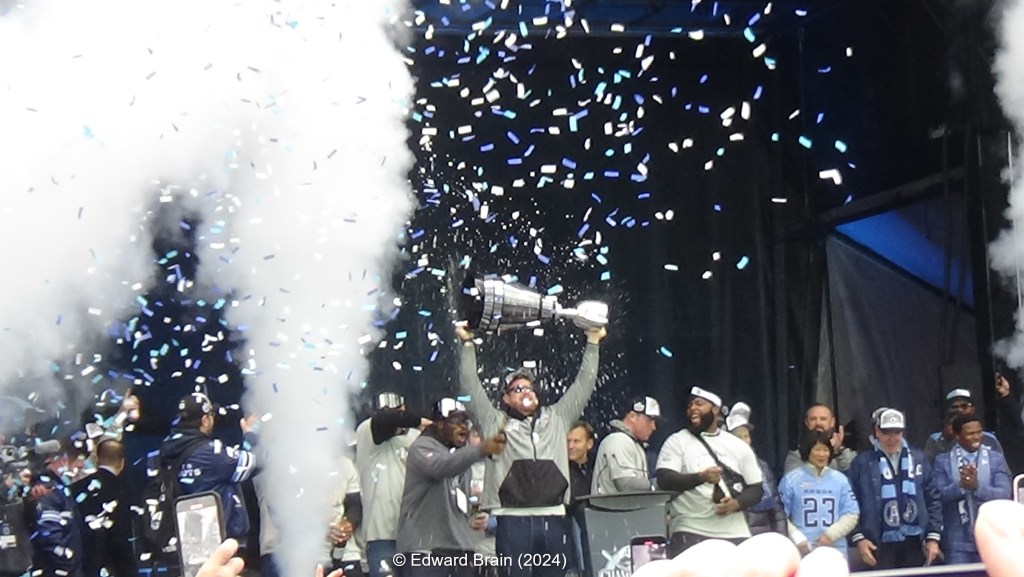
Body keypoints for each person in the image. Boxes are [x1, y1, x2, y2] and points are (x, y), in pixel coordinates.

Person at [455, 324, 606, 577]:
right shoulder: (493, 421)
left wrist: (592, 343)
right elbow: (470, 387)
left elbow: (584, 385)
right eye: (517, 389)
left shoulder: (558, 417)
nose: (525, 392)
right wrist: (468, 345)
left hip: (554, 518)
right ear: (505, 398)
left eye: (529, 387)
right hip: (513, 521)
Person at [396, 398, 505, 577]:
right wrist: (480, 450)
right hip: (425, 551)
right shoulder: (421, 448)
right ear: (439, 424)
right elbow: (442, 467)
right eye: (457, 422)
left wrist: (478, 516)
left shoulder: (459, 456)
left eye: (465, 422)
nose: (464, 428)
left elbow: (462, 503)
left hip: (458, 551)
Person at [654, 387, 764, 558]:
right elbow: (665, 479)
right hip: (690, 529)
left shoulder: (737, 445)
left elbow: (756, 488)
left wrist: (736, 504)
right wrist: (700, 477)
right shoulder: (677, 441)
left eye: (699, 404)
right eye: (690, 405)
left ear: (715, 409)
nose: (693, 408)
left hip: (735, 531)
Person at [159, 392, 259, 548]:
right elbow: (251, 463)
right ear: (205, 420)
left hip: (188, 539)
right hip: (218, 538)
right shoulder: (210, 453)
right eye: (212, 415)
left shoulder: (167, 448)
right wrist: (250, 436)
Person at [846, 408, 942, 570]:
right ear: (877, 431)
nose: (892, 438)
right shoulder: (862, 462)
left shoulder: (918, 458)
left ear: (902, 433)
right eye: (886, 432)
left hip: (915, 540)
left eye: (896, 432)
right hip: (877, 541)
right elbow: (850, 502)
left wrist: (933, 537)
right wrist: (859, 538)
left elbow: (933, 498)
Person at [355, 392, 429, 577]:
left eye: (397, 411)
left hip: (417, 535)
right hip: (381, 535)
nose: (394, 417)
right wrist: (419, 421)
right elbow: (386, 419)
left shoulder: (417, 437)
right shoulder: (366, 432)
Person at [255, 453, 363, 577]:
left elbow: (355, 506)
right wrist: (315, 524)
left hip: (346, 553)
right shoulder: (288, 465)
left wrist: (348, 525)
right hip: (305, 556)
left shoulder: (345, 464)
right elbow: (278, 515)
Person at [930, 413, 1012, 564]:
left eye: (979, 432)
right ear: (957, 436)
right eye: (970, 433)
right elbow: (938, 495)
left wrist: (977, 487)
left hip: (990, 535)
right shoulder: (942, 461)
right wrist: (961, 486)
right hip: (957, 540)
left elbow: (1004, 493)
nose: (976, 437)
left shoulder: (995, 458)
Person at [778, 430, 859, 557]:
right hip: (803, 550)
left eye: (825, 450)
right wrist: (797, 538)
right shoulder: (791, 480)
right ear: (807, 451)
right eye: (817, 449)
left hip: (836, 550)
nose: (822, 454)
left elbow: (851, 513)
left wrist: (830, 535)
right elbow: (780, 514)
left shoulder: (840, 480)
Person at [70, 439, 136, 577]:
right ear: (122, 463)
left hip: (84, 565)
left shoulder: (75, 489)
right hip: (115, 566)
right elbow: (122, 535)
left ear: (97, 459)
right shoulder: (125, 490)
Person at [25, 437, 86, 577]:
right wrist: (67, 566)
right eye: (74, 462)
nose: (80, 467)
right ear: (59, 460)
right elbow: (49, 535)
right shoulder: (47, 491)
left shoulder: (59, 489)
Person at [724, 403, 786, 536]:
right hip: (734, 536)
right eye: (738, 437)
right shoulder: (722, 468)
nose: (744, 441)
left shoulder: (762, 466)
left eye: (746, 436)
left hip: (763, 537)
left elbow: (776, 507)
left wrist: (782, 536)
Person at [592, 397, 658, 495]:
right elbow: (626, 485)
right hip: (613, 505)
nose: (653, 427)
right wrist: (657, 484)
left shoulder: (631, 443)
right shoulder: (618, 440)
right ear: (632, 416)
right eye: (650, 420)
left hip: (622, 505)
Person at [924, 389, 1004, 463]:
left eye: (964, 406)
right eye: (954, 407)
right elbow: (929, 467)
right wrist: (944, 440)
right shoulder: (935, 439)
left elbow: (1002, 467)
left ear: (973, 408)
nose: (959, 410)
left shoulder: (989, 439)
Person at [784, 404, 855, 473]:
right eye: (813, 419)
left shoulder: (845, 453)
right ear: (806, 423)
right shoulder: (796, 454)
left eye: (823, 419)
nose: (818, 423)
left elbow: (852, 475)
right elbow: (794, 478)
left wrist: (837, 452)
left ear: (832, 422)